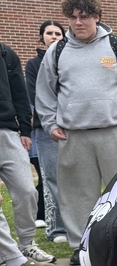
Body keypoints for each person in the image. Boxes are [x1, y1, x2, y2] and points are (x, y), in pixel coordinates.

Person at [35, 0, 117, 265]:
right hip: (73, 135)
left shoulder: (116, 45)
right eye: (73, 17)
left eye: (85, 16)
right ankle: (82, 245)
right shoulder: (57, 51)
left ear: (97, 17)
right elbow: (44, 92)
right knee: (77, 196)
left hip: (115, 133)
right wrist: (50, 123)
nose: (78, 22)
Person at [0, 38, 57, 266]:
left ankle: (26, 244)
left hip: (8, 132)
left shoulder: (5, 53)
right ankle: (9, 257)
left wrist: (25, 129)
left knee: (26, 191)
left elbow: (20, 94)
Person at [25, 20, 68, 244]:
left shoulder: (70, 60)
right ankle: (57, 229)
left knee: (75, 179)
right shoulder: (34, 65)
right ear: (42, 37)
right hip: (46, 129)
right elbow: (36, 96)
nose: (54, 36)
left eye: (58, 33)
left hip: (73, 128)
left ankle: (78, 225)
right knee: (52, 178)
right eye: (49, 33)